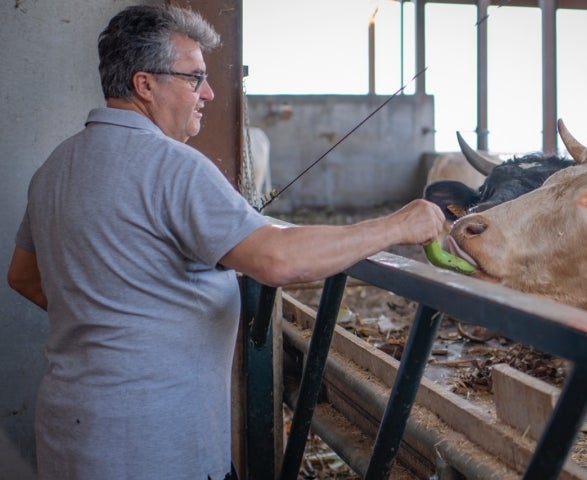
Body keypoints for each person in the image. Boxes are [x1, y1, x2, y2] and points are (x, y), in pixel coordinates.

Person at [6, 5, 445, 480]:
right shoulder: (174, 166)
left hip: (67, 440)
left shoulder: (55, 167)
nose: (208, 93)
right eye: (194, 78)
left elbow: (22, 275)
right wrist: (396, 227)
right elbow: (275, 260)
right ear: (144, 84)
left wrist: (110, 316)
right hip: (157, 449)